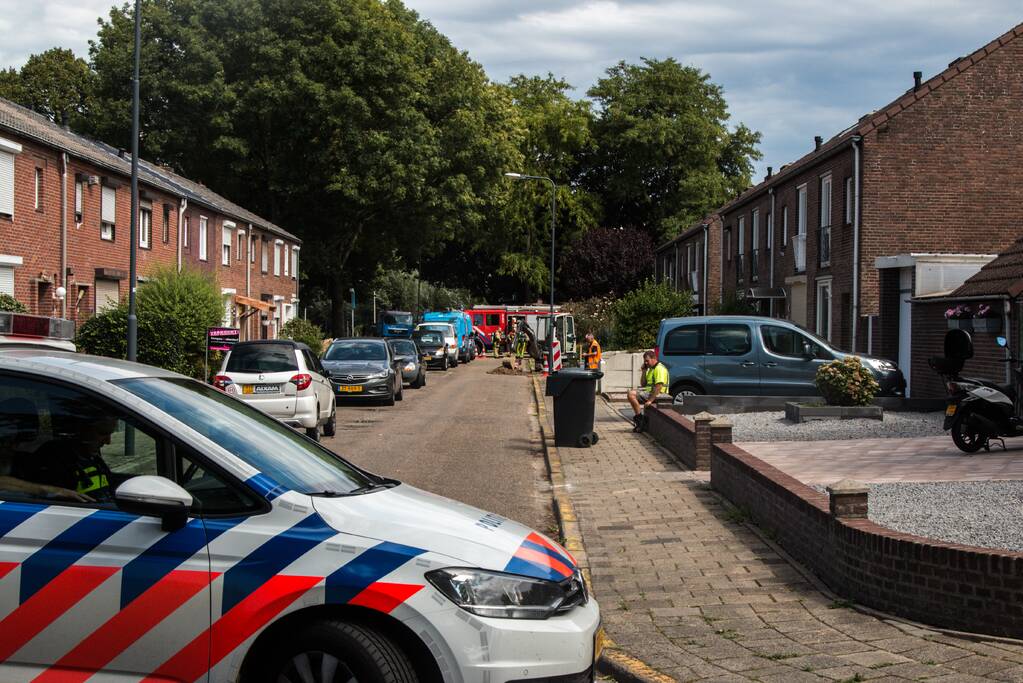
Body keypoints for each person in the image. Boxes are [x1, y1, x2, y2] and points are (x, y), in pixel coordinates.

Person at [627, 350, 669, 432]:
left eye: (647, 360)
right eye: (644, 361)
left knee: (631, 394)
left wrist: (650, 401)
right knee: (631, 392)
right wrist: (644, 371)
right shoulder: (651, 369)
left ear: (654, 358)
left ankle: (640, 421)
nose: (646, 363)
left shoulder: (659, 368)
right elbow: (643, 384)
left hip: (659, 395)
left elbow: (658, 386)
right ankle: (640, 420)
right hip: (651, 393)